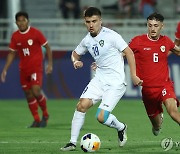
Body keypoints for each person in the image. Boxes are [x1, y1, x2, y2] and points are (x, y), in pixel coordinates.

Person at [60, 7, 142, 151]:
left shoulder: (111, 35)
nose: (91, 25)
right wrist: (75, 61)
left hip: (115, 82)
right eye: (88, 22)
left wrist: (133, 75)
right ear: (84, 22)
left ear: (100, 21)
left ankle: (121, 127)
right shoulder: (86, 40)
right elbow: (75, 53)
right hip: (99, 79)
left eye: (94, 21)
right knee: (81, 106)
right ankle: (72, 142)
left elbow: (128, 52)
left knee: (101, 117)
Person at [129, 12, 180, 136]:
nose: (153, 28)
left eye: (156, 25)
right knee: (156, 127)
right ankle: (157, 122)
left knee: (173, 112)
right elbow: (122, 54)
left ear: (162, 26)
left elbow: (178, 51)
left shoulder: (166, 41)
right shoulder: (138, 41)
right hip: (148, 90)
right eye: (150, 25)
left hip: (164, 85)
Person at [0, 11, 53, 128]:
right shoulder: (15, 36)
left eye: (23, 20)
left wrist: (49, 64)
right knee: (28, 95)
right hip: (23, 69)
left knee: (36, 91)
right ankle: (36, 120)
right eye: (19, 20)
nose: (21, 23)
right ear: (16, 22)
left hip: (36, 68)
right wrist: (5, 69)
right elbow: (11, 53)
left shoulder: (35, 33)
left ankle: (45, 114)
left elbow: (47, 47)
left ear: (28, 21)